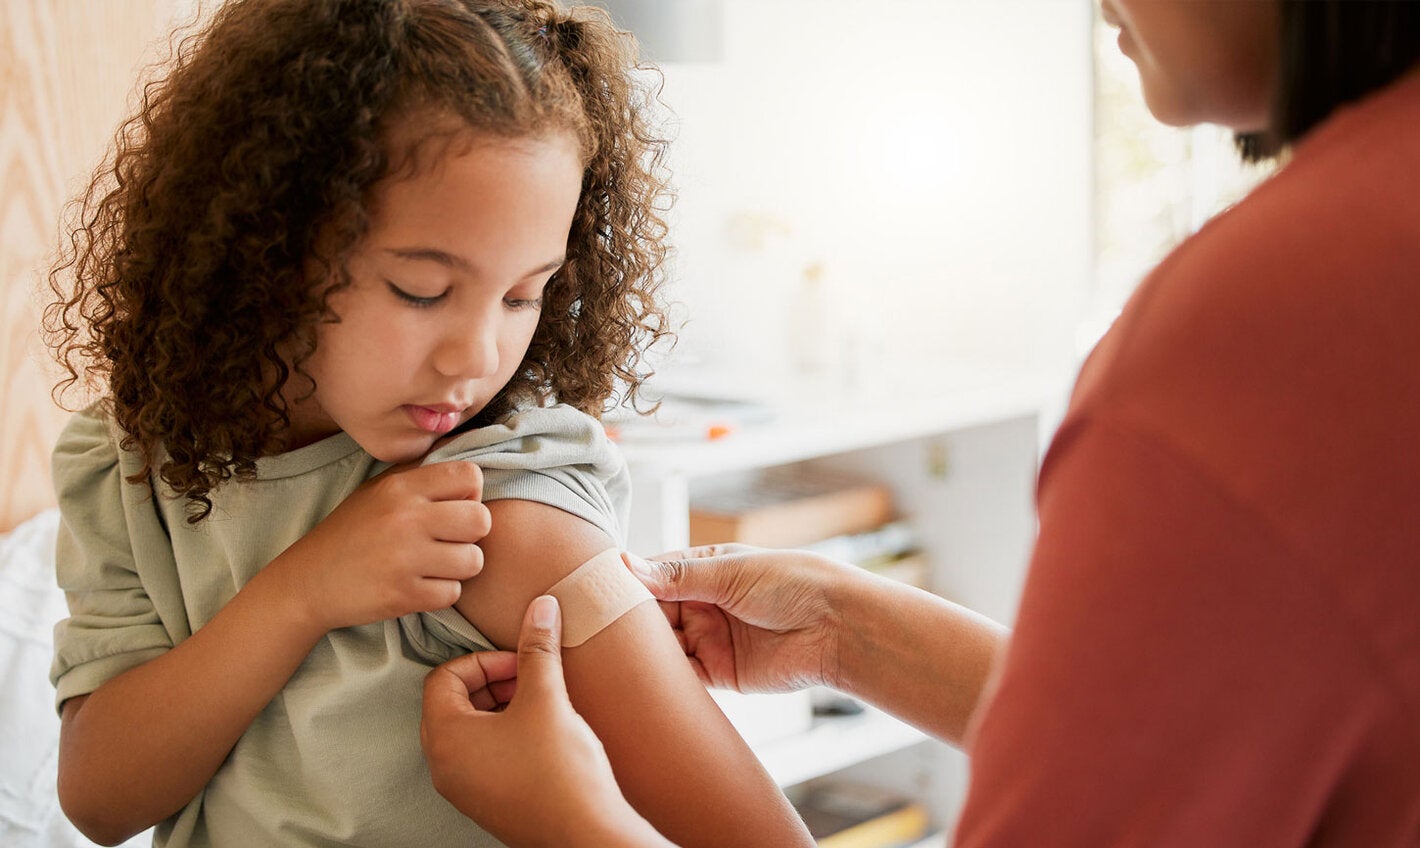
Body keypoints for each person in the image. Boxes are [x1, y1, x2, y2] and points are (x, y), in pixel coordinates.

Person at [419, 0, 1420, 845]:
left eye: (524, 294)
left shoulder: (1256, 330)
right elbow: (1208, 727)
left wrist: (589, 826)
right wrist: (847, 630)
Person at [42, 1, 815, 846]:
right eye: (423, 290)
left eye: (525, 294)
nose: (476, 358)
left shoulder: (496, 506)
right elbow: (101, 800)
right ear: (269, 243)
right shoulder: (129, 464)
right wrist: (299, 594)